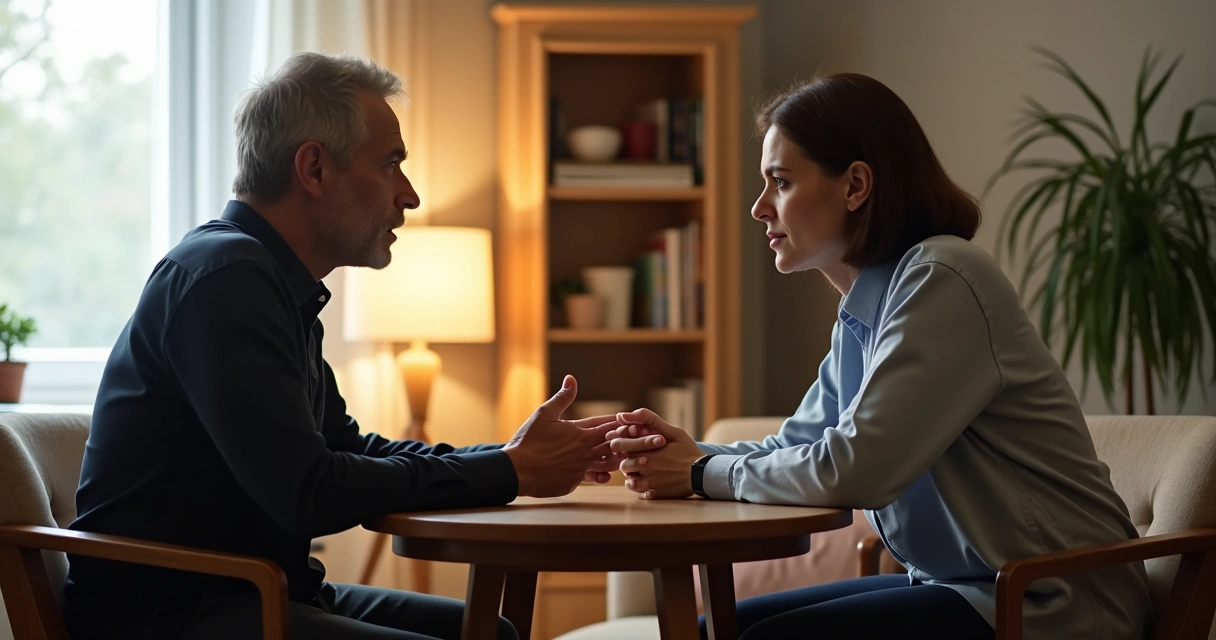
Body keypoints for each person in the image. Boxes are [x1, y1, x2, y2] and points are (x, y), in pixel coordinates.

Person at [64, 52, 620, 640]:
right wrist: (508, 470)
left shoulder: (275, 285)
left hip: (257, 590)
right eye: (390, 165)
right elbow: (310, 493)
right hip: (171, 614)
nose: (410, 196)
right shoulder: (226, 279)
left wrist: (509, 454)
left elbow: (348, 450)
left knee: (492, 632)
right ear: (314, 168)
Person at [608, 73, 1153, 639]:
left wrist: (699, 472)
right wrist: (682, 452)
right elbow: (797, 446)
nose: (758, 208)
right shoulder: (868, 307)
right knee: (713, 629)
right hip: (969, 586)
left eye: (781, 182)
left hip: (1051, 602)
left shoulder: (944, 279)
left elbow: (859, 468)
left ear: (856, 185)